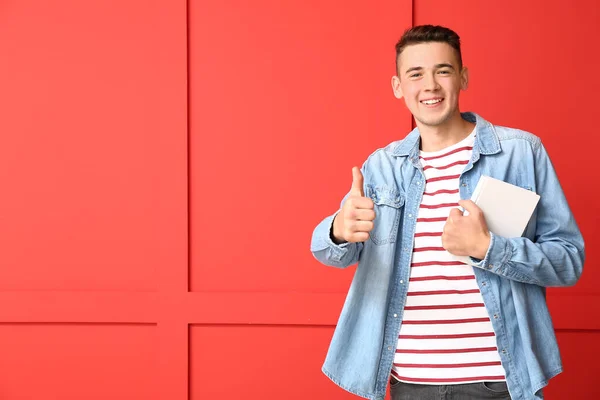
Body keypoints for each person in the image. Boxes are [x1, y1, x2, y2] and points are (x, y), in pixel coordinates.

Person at [310, 25, 585, 400]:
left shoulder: (521, 153)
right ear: (397, 86)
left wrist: (488, 248)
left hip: (500, 383)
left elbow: (568, 261)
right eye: (416, 74)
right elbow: (327, 251)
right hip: (408, 384)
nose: (430, 86)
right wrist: (339, 230)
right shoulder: (381, 166)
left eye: (443, 70)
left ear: (463, 77)